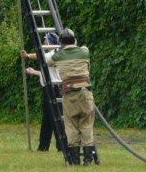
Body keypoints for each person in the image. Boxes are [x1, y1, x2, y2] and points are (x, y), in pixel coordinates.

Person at [47, 28, 99, 166]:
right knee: (87, 125)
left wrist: (59, 50)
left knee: (71, 126)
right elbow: (84, 49)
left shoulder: (58, 55)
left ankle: (75, 160)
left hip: (69, 94)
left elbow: (48, 61)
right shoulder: (84, 52)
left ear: (61, 42)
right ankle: (88, 160)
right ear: (74, 40)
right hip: (85, 92)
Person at [20, 32, 63, 152]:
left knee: (55, 118)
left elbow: (40, 56)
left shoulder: (54, 53)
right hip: (48, 88)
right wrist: (33, 72)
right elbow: (46, 73)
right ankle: (43, 146)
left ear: (51, 42)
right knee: (47, 120)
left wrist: (27, 55)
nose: (44, 42)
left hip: (53, 89)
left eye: (45, 40)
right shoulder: (51, 54)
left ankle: (61, 146)